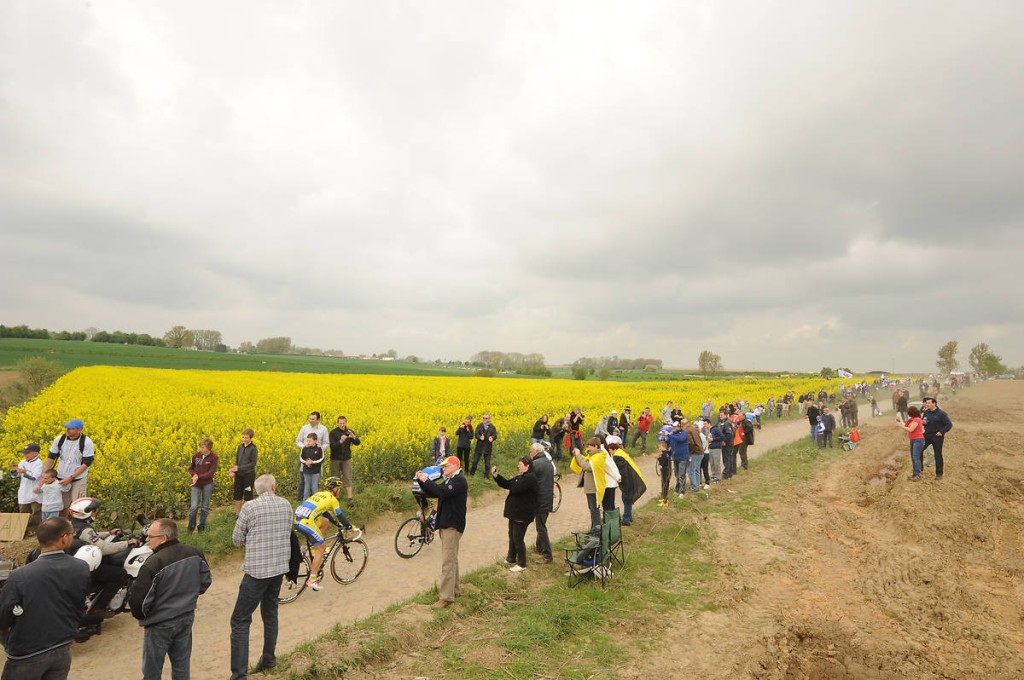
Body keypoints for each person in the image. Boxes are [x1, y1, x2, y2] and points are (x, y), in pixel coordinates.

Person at [0, 518, 90, 680]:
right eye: (71, 534)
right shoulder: (81, 567)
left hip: (26, 653)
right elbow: (80, 605)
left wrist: (8, 641)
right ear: (63, 538)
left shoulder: (19, 576)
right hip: (62, 647)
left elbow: (2, 618)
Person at [129, 517, 212, 680]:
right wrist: (189, 598)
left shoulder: (152, 564)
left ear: (164, 538)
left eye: (150, 536)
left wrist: (147, 616)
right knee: (181, 666)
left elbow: (138, 602)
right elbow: (205, 581)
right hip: (186, 617)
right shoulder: (194, 552)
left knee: (152, 671)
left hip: (159, 624)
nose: (147, 539)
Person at [230, 474, 294, 679]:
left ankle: (239, 675)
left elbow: (236, 540)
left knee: (240, 621)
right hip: (278, 569)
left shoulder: (249, 508)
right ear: (274, 487)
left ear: (257, 491)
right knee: (270, 613)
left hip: (257, 572)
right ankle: (268, 659)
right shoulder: (286, 505)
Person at [416, 456, 468, 608]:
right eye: (443, 467)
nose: (443, 469)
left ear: (455, 466)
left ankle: (446, 597)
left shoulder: (459, 481)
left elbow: (440, 491)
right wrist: (421, 481)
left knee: (447, 562)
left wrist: (426, 480)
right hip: (447, 524)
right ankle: (456, 590)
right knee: (452, 559)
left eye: (446, 466)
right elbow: (434, 492)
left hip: (452, 525)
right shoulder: (450, 480)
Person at [67, 497, 130, 614]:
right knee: (120, 574)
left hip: (75, 565)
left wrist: (108, 533)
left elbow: (90, 536)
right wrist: (127, 543)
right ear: (86, 512)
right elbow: (104, 548)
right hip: (87, 569)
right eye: (95, 511)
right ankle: (100, 608)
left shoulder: (72, 525)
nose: (96, 513)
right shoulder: (85, 529)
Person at [293, 477, 357, 592]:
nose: (340, 491)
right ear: (335, 489)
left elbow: (326, 513)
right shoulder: (332, 499)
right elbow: (340, 516)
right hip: (307, 523)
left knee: (325, 522)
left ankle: (312, 550)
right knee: (321, 548)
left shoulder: (320, 494)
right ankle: (312, 579)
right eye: (339, 488)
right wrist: (349, 526)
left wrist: (336, 524)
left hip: (298, 520)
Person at [492, 456, 538, 572]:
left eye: (520, 464)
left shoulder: (530, 478)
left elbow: (516, 489)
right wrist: (497, 477)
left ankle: (522, 563)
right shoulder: (521, 477)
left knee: (518, 538)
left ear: (527, 466)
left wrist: (514, 482)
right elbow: (508, 484)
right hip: (514, 513)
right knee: (512, 536)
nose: (518, 466)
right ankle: (511, 558)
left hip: (522, 514)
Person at [44, 418, 95, 514]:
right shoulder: (60, 439)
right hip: (61, 478)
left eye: (71, 428)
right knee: (61, 506)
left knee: (79, 506)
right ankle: (63, 526)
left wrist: (72, 477)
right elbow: (51, 456)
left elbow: (87, 463)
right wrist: (45, 474)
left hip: (78, 478)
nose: (67, 430)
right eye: (67, 427)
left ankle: (78, 526)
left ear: (79, 430)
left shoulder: (86, 442)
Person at [570, 438, 609, 530]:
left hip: (594, 488)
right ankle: (594, 528)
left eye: (590, 446)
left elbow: (587, 466)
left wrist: (579, 455)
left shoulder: (598, 457)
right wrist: (577, 455)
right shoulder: (592, 456)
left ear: (596, 446)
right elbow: (584, 461)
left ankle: (597, 530)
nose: (588, 448)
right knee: (592, 509)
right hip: (590, 488)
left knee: (594, 510)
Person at [608, 436, 645, 525]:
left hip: (628, 481)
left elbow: (621, 472)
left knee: (626, 499)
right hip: (632, 479)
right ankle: (629, 517)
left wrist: (617, 479)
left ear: (613, 449)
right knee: (627, 499)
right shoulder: (621, 453)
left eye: (609, 450)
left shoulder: (618, 457)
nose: (609, 453)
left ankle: (626, 519)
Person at [529, 443, 555, 563]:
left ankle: (547, 555)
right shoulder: (548, 462)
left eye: (531, 451)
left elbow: (529, 480)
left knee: (541, 528)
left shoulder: (536, 464)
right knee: (541, 523)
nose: (530, 453)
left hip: (540, 499)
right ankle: (539, 547)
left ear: (535, 451)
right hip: (547, 497)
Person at [295, 412, 329, 502]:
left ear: (318, 420)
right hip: (304, 458)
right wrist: (305, 447)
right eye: (310, 419)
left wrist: (320, 448)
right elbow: (298, 441)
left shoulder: (323, 429)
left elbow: (326, 443)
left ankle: (314, 501)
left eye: (313, 419)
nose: (310, 421)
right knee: (303, 480)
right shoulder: (304, 428)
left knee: (315, 482)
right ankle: (300, 500)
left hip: (316, 458)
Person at [187, 437, 218, 534]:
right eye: (201, 447)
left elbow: (210, 473)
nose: (201, 449)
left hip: (207, 484)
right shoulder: (196, 455)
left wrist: (198, 477)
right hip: (196, 484)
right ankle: (191, 527)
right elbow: (190, 468)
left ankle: (201, 527)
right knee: (194, 507)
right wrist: (194, 475)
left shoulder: (214, 458)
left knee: (205, 507)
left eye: (203, 448)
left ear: (209, 448)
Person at [327, 415, 360, 505]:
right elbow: (332, 447)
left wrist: (354, 437)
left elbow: (358, 443)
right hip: (335, 459)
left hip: (346, 459)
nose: (342, 425)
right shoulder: (333, 433)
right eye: (340, 423)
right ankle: (336, 498)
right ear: (337, 423)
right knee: (335, 479)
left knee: (348, 478)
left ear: (346, 423)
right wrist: (341, 441)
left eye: (343, 423)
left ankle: (350, 499)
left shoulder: (349, 431)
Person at [12, 443, 43, 534]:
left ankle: (33, 531)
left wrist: (25, 472)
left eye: (28, 453)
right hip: (24, 492)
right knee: (23, 512)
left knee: (36, 513)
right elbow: (15, 475)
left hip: (35, 493)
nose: (25, 455)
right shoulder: (22, 462)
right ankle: (22, 531)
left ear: (36, 453)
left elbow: (34, 477)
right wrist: (14, 471)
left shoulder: (39, 463)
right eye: (24, 453)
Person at [921, 397, 953, 480]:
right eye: (926, 403)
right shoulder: (926, 412)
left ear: (934, 403)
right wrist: (923, 423)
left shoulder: (941, 413)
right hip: (927, 435)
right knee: (919, 450)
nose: (927, 404)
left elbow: (948, 424)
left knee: (938, 455)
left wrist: (941, 432)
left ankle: (939, 474)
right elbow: (924, 421)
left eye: (928, 403)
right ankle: (920, 469)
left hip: (937, 436)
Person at [230, 428, 259, 516]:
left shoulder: (253, 449)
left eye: (246, 437)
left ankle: (246, 514)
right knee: (237, 494)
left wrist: (239, 468)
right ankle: (238, 514)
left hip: (248, 476)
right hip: (239, 475)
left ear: (251, 438)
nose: (244, 439)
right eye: (243, 437)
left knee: (248, 495)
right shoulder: (240, 447)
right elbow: (237, 460)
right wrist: (233, 471)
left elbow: (252, 464)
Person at [897, 406, 926, 481]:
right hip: (913, 440)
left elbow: (910, 429)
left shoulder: (916, 420)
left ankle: (918, 474)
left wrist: (900, 426)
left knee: (916, 457)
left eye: (908, 412)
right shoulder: (912, 420)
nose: (907, 413)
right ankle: (915, 474)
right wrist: (900, 419)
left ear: (911, 413)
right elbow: (905, 425)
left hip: (918, 440)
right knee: (913, 457)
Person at [469, 413, 498, 478]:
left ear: (489, 419)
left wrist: (492, 438)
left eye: (486, 418)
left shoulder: (492, 427)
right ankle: (471, 474)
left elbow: (495, 434)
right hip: (479, 446)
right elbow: (476, 434)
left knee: (487, 464)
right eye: (483, 418)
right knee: (475, 461)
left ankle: (486, 476)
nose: (484, 419)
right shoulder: (479, 425)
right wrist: (479, 437)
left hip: (488, 447)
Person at [666, 422, 690, 498]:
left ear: (679, 427)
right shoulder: (672, 434)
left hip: (683, 457)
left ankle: (683, 491)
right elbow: (669, 443)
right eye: (672, 427)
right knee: (677, 474)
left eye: (675, 427)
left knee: (681, 474)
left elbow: (680, 439)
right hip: (675, 457)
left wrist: (670, 435)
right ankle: (677, 489)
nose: (673, 428)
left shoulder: (683, 434)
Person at [299, 433, 324, 502]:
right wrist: (306, 462)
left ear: (315, 441)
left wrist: (312, 462)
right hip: (306, 471)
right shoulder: (304, 448)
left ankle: (316, 504)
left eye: (310, 440)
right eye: (307, 440)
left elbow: (322, 459)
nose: (308, 442)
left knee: (314, 488)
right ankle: (305, 504)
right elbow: (301, 458)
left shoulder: (319, 448)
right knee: (306, 488)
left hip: (315, 471)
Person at [654, 439, 673, 506]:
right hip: (665, 471)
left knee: (665, 485)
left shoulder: (665, 454)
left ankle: (665, 501)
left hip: (666, 471)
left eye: (660, 447)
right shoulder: (665, 453)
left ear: (663, 447)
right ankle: (664, 497)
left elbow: (663, 463)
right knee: (663, 484)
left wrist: (658, 458)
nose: (659, 448)